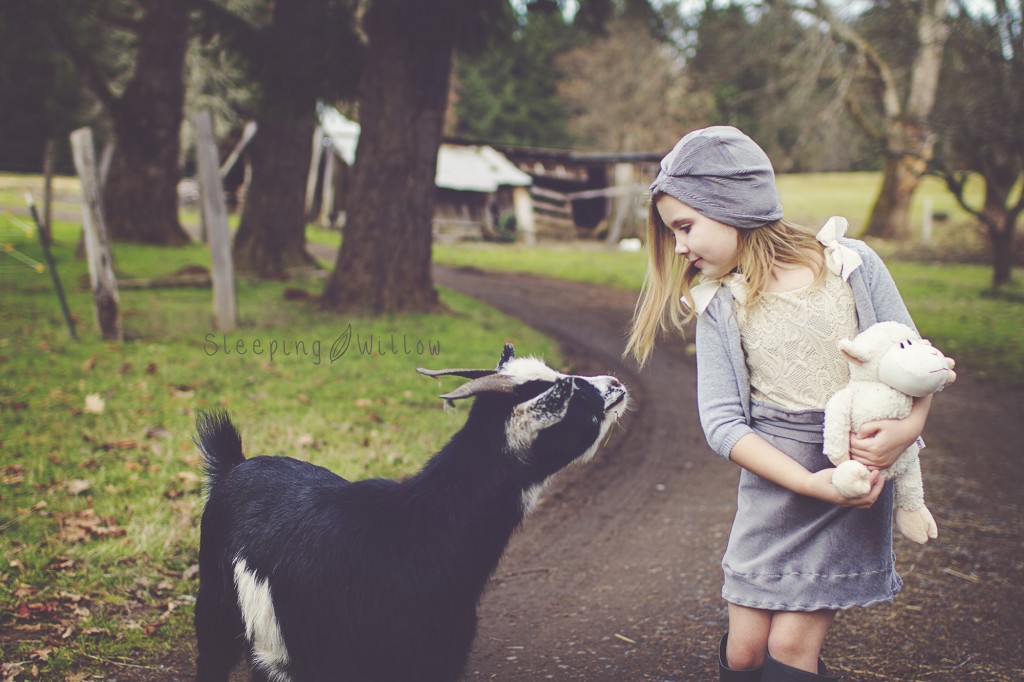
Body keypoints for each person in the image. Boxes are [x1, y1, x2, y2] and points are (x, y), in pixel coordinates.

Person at [624, 126, 953, 681]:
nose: (679, 247)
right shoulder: (719, 302)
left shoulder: (851, 265)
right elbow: (723, 424)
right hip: (776, 487)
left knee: (790, 652)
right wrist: (804, 483)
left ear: (731, 205)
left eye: (685, 226)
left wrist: (908, 429)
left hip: (848, 478)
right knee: (745, 654)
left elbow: (915, 362)